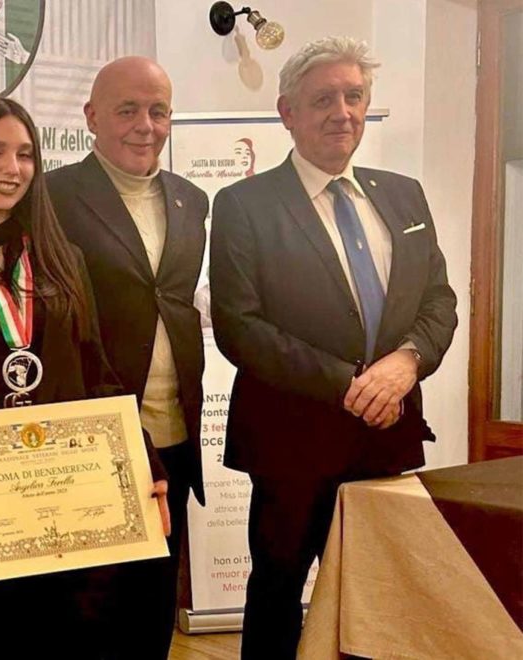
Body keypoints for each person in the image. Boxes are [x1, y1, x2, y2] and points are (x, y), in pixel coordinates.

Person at [0, 97, 170, 659]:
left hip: (67, 498)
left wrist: (144, 459)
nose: (11, 168)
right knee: (0, 641)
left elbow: (98, 375)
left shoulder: (65, 261)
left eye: (24, 155)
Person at [209, 36, 457, 659]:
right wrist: (350, 385)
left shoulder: (403, 194)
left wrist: (407, 363)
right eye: (323, 99)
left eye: (354, 96)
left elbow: (439, 301)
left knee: (381, 600)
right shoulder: (244, 204)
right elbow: (240, 326)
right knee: (277, 595)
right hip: (290, 444)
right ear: (287, 112)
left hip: (385, 436)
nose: (342, 112)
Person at [46, 56, 208, 659]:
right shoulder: (53, 196)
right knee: (89, 618)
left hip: (174, 438)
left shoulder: (192, 201)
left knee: (152, 612)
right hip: (94, 438)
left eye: (158, 111)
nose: (146, 125)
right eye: (128, 110)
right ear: (92, 117)